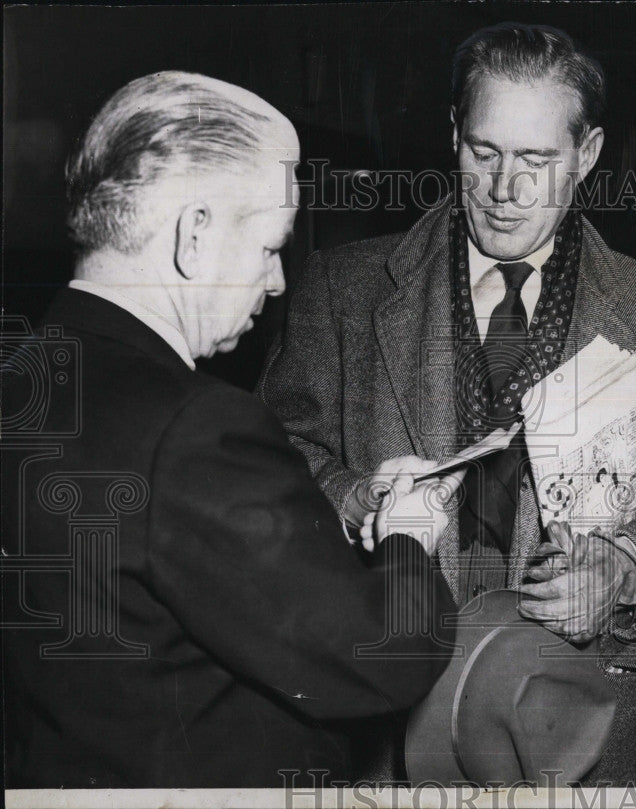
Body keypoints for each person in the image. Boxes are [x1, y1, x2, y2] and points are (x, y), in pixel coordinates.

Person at [259, 23, 636, 784]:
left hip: (586, 730)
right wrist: (360, 504)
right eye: (484, 153)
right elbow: (274, 457)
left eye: (537, 160)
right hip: (387, 728)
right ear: (453, 134)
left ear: (587, 155)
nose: (504, 189)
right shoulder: (341, 291)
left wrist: (627, 568)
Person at [1, 71, 463, 788]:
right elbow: (383, 656)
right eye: (270, 246)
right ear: (195, 233)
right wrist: (407, 534)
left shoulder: (26, 382)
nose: (278, 281)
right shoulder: (198, 425)